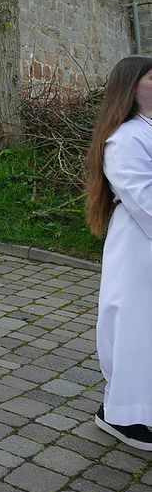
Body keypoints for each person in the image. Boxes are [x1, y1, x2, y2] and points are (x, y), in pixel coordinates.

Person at [86, 55, 152, 451]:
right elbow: (144, 199)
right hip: (139, 249)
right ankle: (124, 415)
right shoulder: (125, 138)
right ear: (131, 87)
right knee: (134, 327)